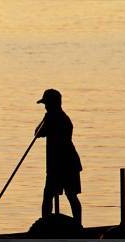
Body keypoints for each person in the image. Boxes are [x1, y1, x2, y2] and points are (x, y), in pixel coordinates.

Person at [34, 89, 83, 225]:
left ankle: (78, 225)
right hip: (56, 165)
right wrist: (45, 118)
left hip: (66, 164)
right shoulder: (53, 118)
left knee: (68, 195)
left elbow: (38, 133)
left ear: (53, 104)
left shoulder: (58, 119)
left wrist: (46, 119)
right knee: (49, 195)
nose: (45, 106)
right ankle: (45, 225)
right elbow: (37, 133)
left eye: (46, 104)